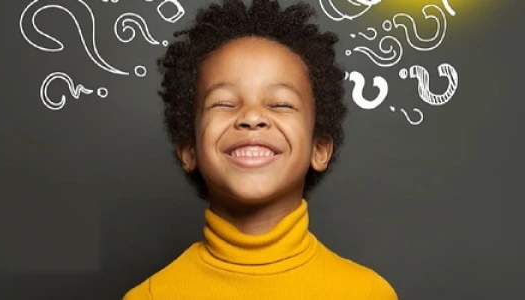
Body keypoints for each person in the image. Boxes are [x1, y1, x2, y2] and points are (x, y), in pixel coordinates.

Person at [124, 0, 397, 299]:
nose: (252, 117)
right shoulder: (150, 296)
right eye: (224, 103)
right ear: (188, 149)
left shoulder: (368, 293)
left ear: (319, 148)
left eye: (280, 104)